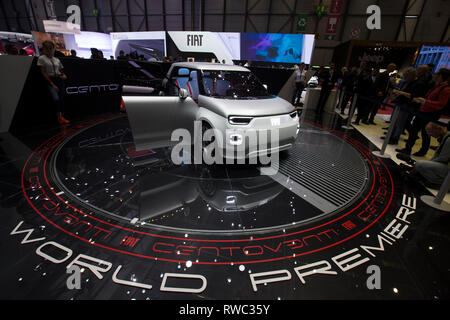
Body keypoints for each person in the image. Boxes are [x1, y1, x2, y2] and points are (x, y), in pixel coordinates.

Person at [396, 68, 450, 156]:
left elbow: (440, 104)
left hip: (430, 114)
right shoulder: (436, 85)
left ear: (440, 76)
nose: (434, 75)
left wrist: (425, 101)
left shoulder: (445, 89)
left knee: (426, 133)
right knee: (414, 130)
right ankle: (408, 148)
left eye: (436, 74)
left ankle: (423, 151)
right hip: (423, 111)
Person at [400, 122, 450, 188]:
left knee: (420, 164)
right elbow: (437, 156)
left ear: (438, 129)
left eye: (431, 132)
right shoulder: (445, 137)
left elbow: (443, 159)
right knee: (422, 165)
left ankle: (441, 182)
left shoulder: (448, 140)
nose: (429, 135)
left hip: (447, 168)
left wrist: (421, 166)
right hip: (445, 166)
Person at [387, 67, 428, 145]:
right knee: (394, 121)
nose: (405, 78)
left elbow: (415, 96)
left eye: (406, 77)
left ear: (412, 75)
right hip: (400, 104)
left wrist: (400, 93)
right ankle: (390, 136)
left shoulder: (419, 84)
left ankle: (395, 138)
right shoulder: (407, 82)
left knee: (400, 123)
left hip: (407, 106)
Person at [37, 40, 69, 125]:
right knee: (56, 99)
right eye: (46, 48)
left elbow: (61, 70)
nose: (49, 50)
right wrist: (52, 84)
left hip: (59, 80)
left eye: (50, 48)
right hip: (50, 80)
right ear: (43, 49)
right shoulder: (41, 58)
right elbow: (43, 72)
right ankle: (58, 116)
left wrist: (64, 75)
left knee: (61, 99)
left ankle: (61, 116)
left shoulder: (56, 59)